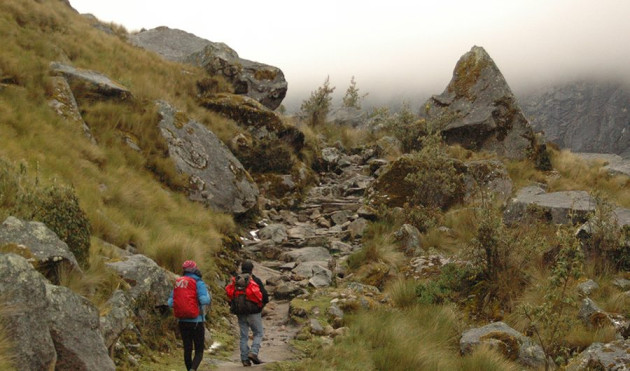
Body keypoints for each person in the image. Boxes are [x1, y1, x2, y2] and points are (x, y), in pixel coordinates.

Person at [168, 260, 211, 371]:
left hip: (182, 321)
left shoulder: (178, 282)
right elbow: (204, 300)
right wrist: (207, 297)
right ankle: (193, 369)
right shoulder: (198, 282)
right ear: (195, 269)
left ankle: (189, 369)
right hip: (197, 321)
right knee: (199, 350)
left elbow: (170, 303)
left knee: (187, 349)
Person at [226, 260, 269, 367]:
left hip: (240, 312)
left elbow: (230, 296)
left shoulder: (236, 280)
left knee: (243, 336)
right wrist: (260, 306)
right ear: (252, 269)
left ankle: (245, 359)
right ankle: (253, 352)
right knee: (258, 333)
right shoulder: (255, 280)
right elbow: (265, 297)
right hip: (254, 312)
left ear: (241, 268)